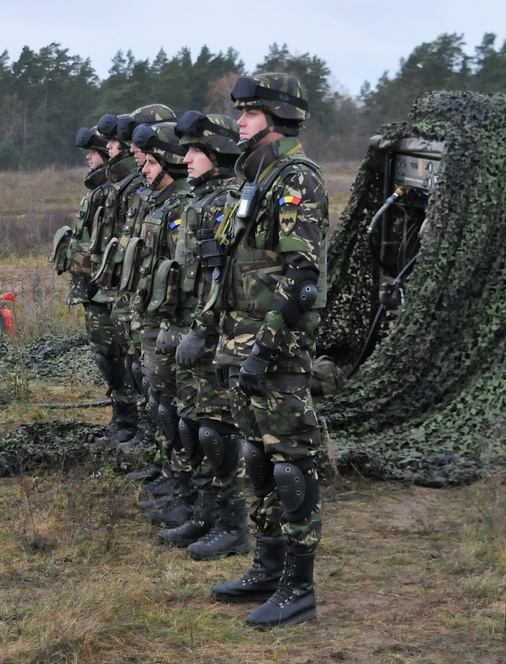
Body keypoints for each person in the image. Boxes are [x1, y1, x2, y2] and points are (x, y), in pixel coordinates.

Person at [207, 72, 329, 629]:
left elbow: (302, 280)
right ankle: (268, 565)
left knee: (291, 467)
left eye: (249, 115)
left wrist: (263, 351)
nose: (239, 122)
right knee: (257, 460)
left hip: (274, 353)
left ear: (276, 120)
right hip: (241, 346)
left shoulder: (296, 181)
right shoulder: (254, 182)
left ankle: (299, 588)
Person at [157, 110, 251, 561]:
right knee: (191, 421)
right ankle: (207, 513)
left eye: (195, 151)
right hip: (192, 329)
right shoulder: (199, 202)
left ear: (216, 153)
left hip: (214, 333)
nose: (186, 158)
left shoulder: (226, 203)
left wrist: (199, 331)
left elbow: (222, 280)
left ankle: (232, 524)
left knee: (217, 429)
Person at [123, 120, 196, 527]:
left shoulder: (183, 203)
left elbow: (185, 273)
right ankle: (172, 476)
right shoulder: (159, 200)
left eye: (150, 162)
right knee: (158, 398)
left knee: (175, 405)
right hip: (151, 315)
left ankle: (185, 487)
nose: (144, 170)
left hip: (170, 322)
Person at [91, 104, 175, 452]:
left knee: (155, 380)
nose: (124, 148)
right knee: (134, 367)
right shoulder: (139, 188)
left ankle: (152, 440)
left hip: (156, 307)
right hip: (132, 298)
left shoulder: (166, 194)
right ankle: (141, 430)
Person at [50, 126, 136, 443]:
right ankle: (122, 417)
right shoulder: (100, 192)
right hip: (95, 286)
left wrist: (84, 263)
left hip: (110, 289)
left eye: (95, 152)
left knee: (121, 357)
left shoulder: (118, 192)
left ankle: (130, 422)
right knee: (107, 355)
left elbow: (115, 247)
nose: (88, 157)